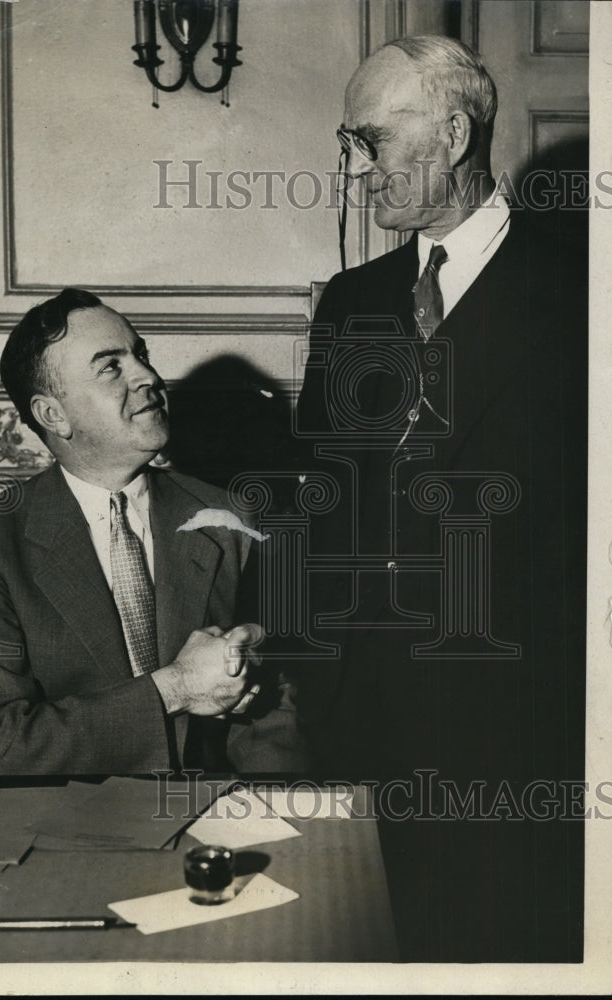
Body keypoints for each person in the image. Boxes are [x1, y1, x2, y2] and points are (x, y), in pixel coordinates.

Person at [293, 36, 586, 961]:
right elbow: (324, 502)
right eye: (353, 142)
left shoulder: (583, 289)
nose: (357, 168)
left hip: (522, 732)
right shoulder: (351, 300)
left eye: (373, 140)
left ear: (455, 133)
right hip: (363, 723)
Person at [0, 288, 300, 776]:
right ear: (53, 415)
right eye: (111, 367)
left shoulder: (232, 517)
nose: (149, 376)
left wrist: (270, 793)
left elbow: (286, 703)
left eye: (140, 354)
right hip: (63, 830)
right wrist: (177, 688)